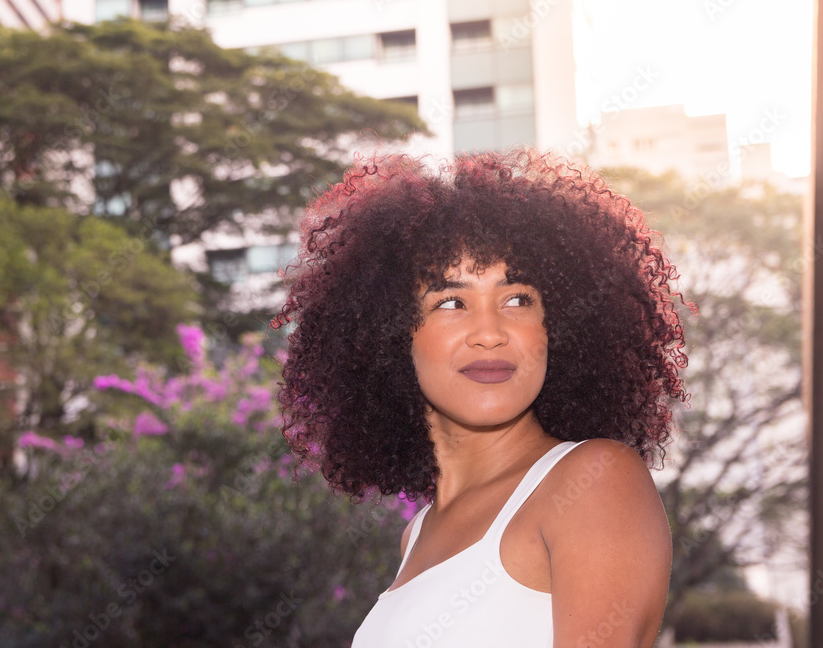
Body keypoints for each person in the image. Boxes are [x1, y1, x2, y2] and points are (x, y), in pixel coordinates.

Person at [272, 148, 690, 647]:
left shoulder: (594, 480)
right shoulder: (419, 534)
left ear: (555, 329)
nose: (489, 332)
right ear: (387, 335)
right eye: (451, 302)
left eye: (517, 300)